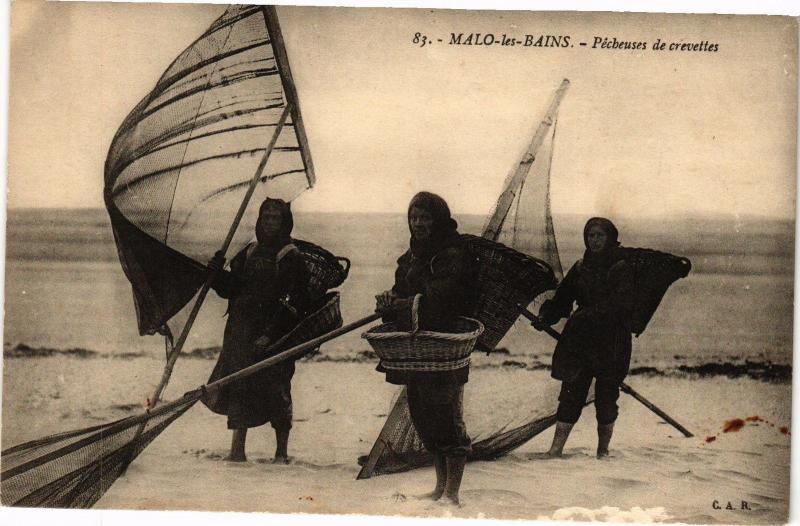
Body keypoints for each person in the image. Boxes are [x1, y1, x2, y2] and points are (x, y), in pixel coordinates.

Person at [375, 191, 477, 505]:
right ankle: (439, 487)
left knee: (446, 414)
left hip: (443, 345)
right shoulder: (412, 256)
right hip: (417, 347)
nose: (418, 223)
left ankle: (453, 492)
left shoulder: (452, 252)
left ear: (438, 220)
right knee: (423, 416)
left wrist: (407, 303)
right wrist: (389, 301)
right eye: (414, 217)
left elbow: (447, 295)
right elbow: (401, 289)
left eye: (425, 218)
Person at [202, 198, 311, 463]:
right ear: (260, 221)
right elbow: (231, 288)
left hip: (274, 336)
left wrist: (269, 335)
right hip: (241, 332)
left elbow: (294, 302)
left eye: (276, 218)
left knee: (277, 388)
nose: (271, 223)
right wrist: (216, 273)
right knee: (238, 385)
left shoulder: (290, 256)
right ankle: (237, 451)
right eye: (266, 218)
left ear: (285, 222)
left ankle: (281, 454)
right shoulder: (249, 252)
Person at [534, 217, 634, 458]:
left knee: (607, 396)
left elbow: (622, 306)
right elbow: (563, 300)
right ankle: (555, 449)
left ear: (610, 238)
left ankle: (603, 451)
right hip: (580, 341)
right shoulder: (580, 267)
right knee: (571, 392)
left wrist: (593, 315)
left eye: (600, 236)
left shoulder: (621, 268)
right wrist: (546, 317)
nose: (595, 241)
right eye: (591, 236)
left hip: (612, 342)